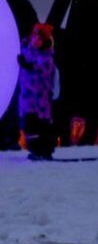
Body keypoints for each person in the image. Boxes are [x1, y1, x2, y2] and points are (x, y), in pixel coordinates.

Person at [0, 0, 39, 151]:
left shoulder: (22, 6)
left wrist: (29, 55)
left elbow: (34, 32)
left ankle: (10, 137)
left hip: (18, 62)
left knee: (14, 102)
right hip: (9, 61)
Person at [17, 23, 57, 160]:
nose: (36, 40)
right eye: (35, 36)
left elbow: (43, 75)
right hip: (27, 99)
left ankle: (44, 150)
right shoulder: (26, 50)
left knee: (41, 126)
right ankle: (36, 150)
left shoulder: (46, 57)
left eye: (40, 39)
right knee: (29, 126)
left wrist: (29, 67)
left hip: (40, 101)